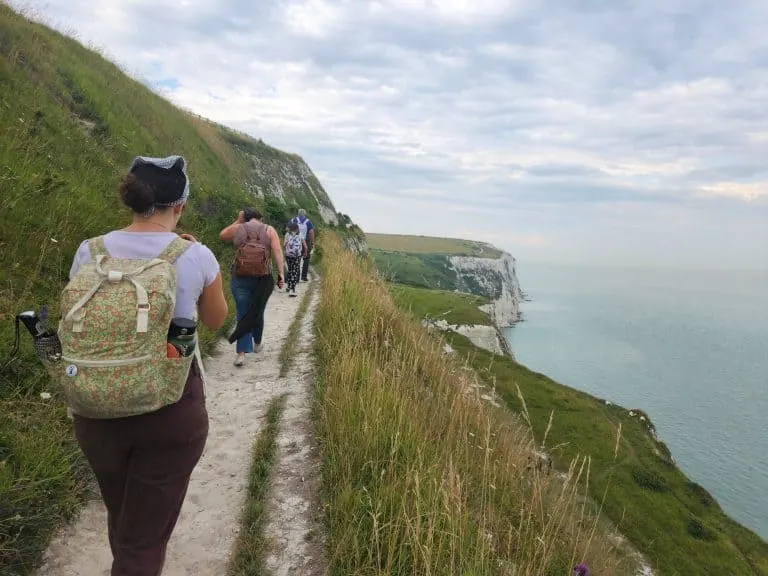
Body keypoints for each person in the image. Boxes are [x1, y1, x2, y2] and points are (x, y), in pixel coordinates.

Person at [67, 155, 228, 575]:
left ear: (132, 200)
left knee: (123, 517)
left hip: (95, 404)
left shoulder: (90, 251)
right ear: (181, 206)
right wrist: (205, 268)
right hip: (169, 408)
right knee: (143, 539)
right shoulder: (194, 256)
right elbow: (214, 321)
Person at [220, 208, 285, 366]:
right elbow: (277, 251)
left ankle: (241, 353)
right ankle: (257, 343)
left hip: (240, 276)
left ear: (245, 218)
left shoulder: (238, 228)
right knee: (257, 310)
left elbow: (222, 235)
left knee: (243, 312)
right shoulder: (269, 230)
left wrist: (238, 220)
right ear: (261, 218)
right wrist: (281, 274)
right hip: (263, 278)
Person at [284, 221, 307, 297]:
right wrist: (305, 252)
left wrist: (286, 251)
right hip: (297, 256)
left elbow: (284, 244)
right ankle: (292, 290)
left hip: (288, 256)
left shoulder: (287, 234)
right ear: (297, 228)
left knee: (290, 270)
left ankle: (288, 286)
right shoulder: (300, 235)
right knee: (295, 272)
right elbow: (305, 246)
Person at [291, 208, 315, 281]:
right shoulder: (308, 222)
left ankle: (296, 277)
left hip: (295, 241)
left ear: (298, 213)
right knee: (306, 259)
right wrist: (312, 242)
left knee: (296, 258)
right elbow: (311, 232)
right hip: (305, 242)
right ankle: (304, 277)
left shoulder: (294, 220)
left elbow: (289, 229)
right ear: (305, 214)